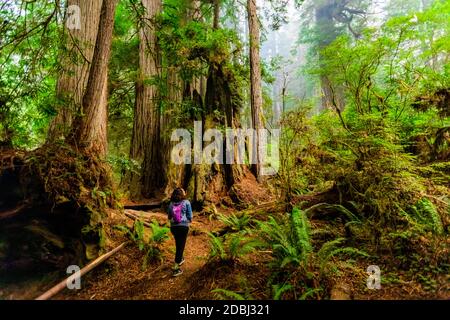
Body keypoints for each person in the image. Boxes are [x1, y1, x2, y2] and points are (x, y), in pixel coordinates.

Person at [167, 187, 193, 277]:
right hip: (183, 227)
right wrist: (188, 221)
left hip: (173, 227)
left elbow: (169, 217)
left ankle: (180, 258)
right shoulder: (186, 202)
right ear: (182, 194)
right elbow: (190, 216)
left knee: (178, 243)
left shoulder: (171, 204)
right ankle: (176, 268)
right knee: (181, 246)